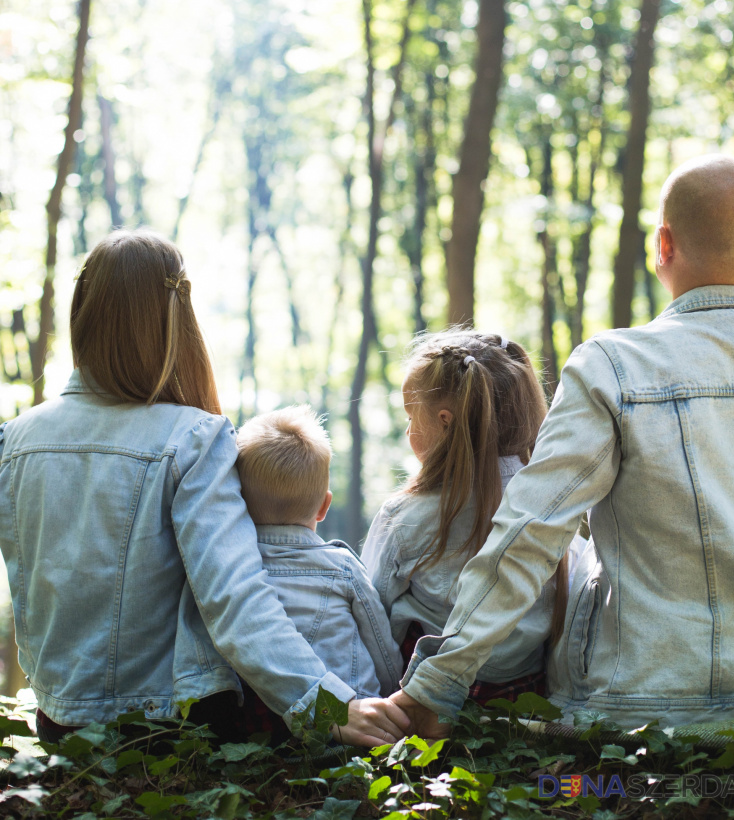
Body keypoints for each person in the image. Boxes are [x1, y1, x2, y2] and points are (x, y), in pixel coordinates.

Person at [391, 155, 734, 735]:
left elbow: (530, 532)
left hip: (635, 711)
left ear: (663, 244)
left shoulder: (613, 366)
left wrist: (438, 683)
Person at [0, 229, 409, 747]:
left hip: (59, 725)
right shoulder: (193, 437)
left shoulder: (14, 440)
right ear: (175, 320)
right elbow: (235, 597)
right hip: (167, 729)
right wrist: (328, 705)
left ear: (83, 310)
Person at [362, 329, 587, 703]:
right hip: (525, 701)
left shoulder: (404, 516)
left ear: (445, 421)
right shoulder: (554, 511)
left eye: (411, 417)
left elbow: (372, 616)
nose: (407, 430)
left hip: (421, 700)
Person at [235, 405, 402, 700]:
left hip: (262, 720)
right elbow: (381, 648)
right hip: (352, 714)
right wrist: (391, 693)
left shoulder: (230, 570)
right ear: (324, 507)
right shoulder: (342, 568)